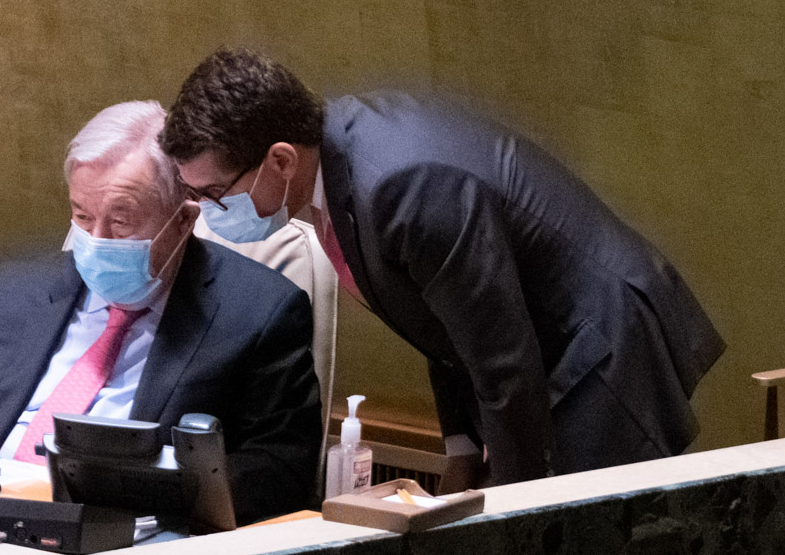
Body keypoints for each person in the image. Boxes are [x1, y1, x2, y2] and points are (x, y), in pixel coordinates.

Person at [161, 47, 725, 485]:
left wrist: (510, 512)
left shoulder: (402, 188)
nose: (209, 212)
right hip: (543, 353)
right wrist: (460, 450)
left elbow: (502, 357)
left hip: (596, 345)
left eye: (215, 195)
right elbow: (441, 321)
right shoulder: (339, 165)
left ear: (280, 159)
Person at [0, 100, 324, 524]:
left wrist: (146, 488)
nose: (96, 240)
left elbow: (281, 470)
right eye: (82, 217)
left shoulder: (259, 312)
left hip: (125, 541)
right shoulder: (8, 289)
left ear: (183, 220)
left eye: (120, 223)